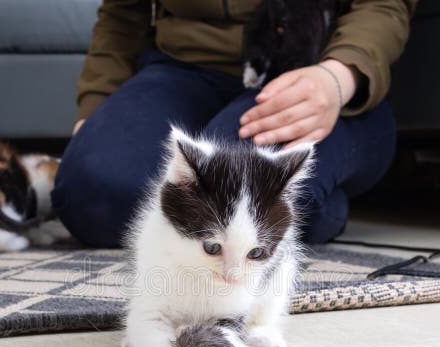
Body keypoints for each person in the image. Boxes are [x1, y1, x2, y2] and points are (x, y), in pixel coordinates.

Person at [52, 0, 417, 247]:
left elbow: (383, 6)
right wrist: (94, 109)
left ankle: (314, 201)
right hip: (182, 68)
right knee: (89, 193)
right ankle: (309, 204)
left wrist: (336, 78)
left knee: (228, 191)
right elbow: (122, 14)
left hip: (310, 69)